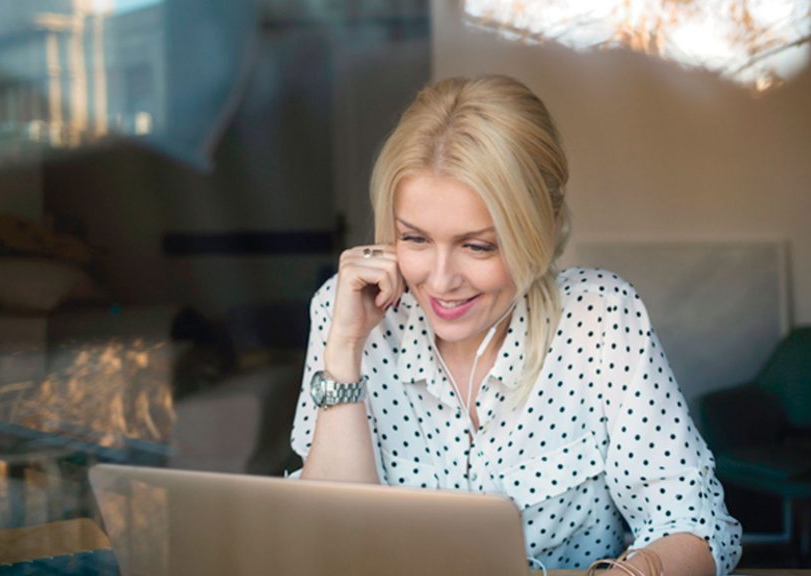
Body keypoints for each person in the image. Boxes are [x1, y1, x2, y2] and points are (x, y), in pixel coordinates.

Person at [290, 74, 742, 575]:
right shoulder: (348, 310)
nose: (440, 281)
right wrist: (346, 348)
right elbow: (325, 549)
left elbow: (696, 523)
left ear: (538, 231)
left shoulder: (600, 317)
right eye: (415, 239)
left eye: (478, 246)